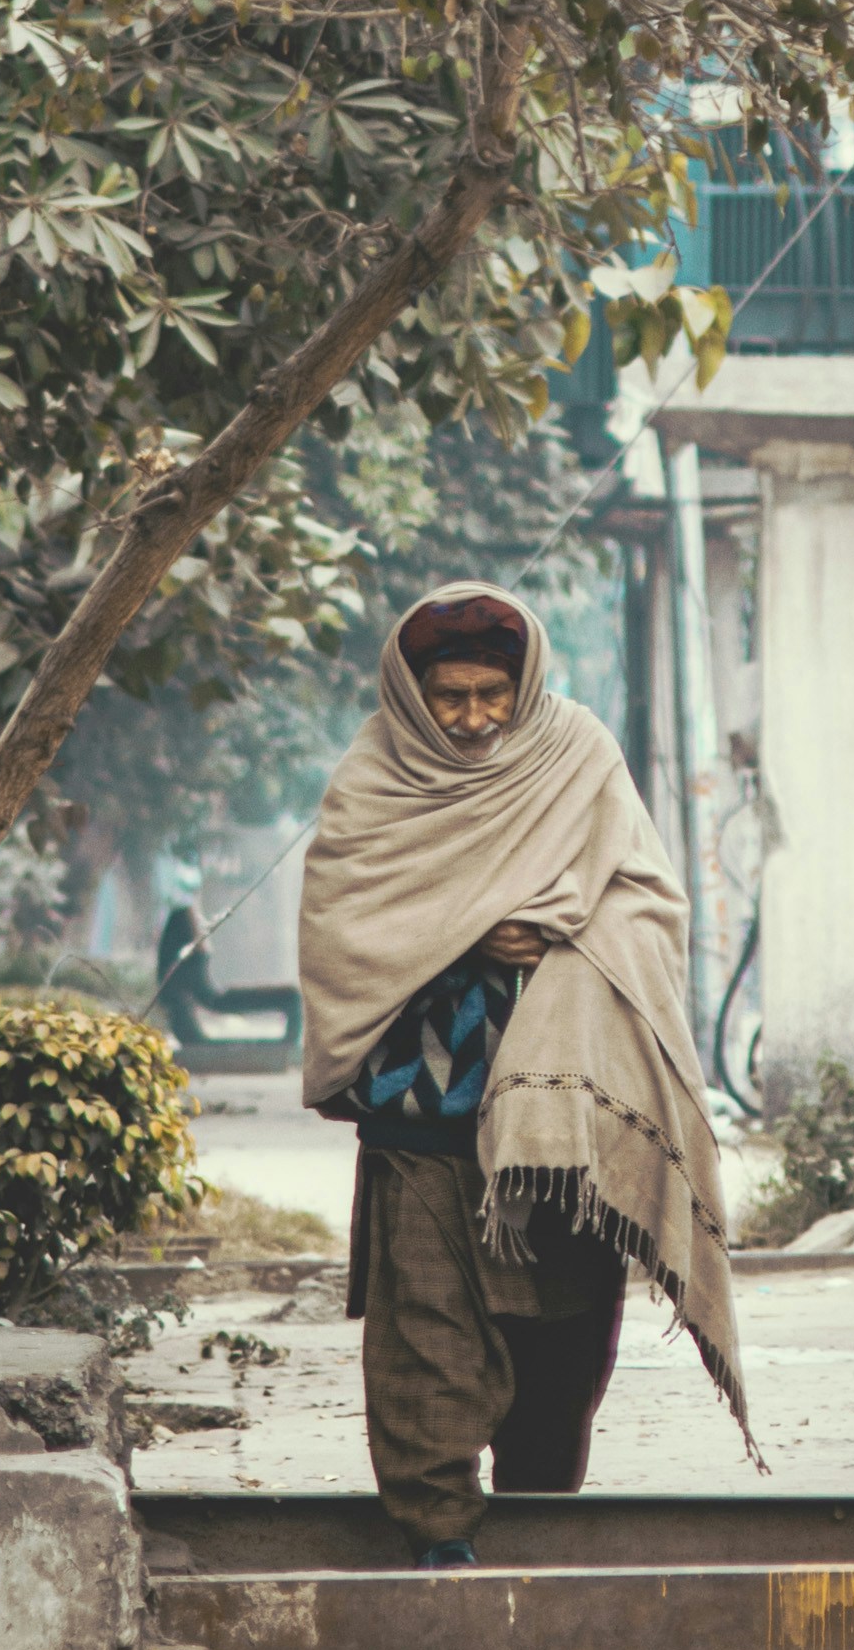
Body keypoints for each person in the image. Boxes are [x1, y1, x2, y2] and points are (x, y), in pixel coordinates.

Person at [299, 579, 752, 1566]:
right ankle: (438, 1537)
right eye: (448, 696)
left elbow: (648, 905)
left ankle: (541, 1531)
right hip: (422, 1118)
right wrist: (465, 935)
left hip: (564, 1131)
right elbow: (346, 930)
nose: (471, 717)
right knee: (426, 1337)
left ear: (524, 685)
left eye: (490, 694)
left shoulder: (579, 755)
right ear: (412, 695)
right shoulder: (373, 779)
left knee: (563, 1344)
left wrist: (556, 931)